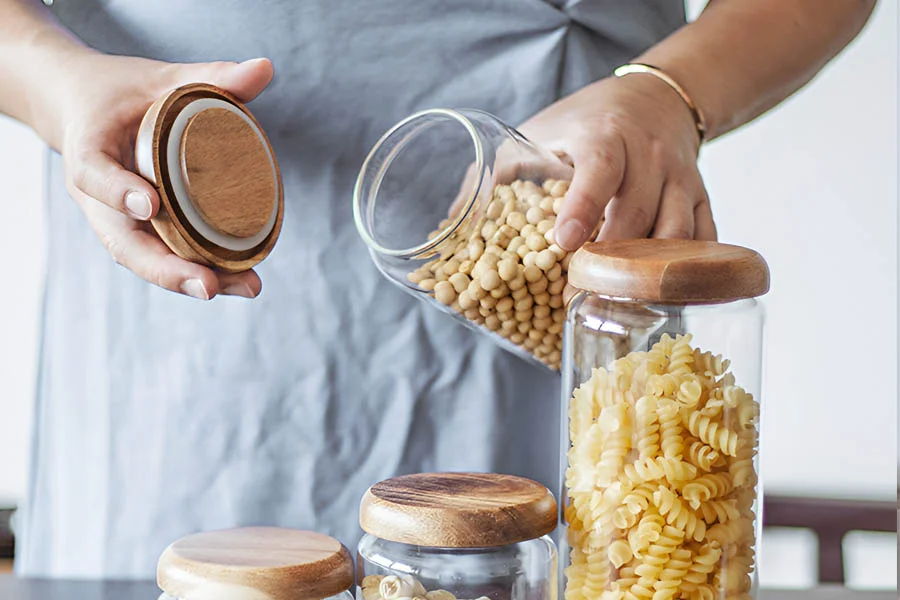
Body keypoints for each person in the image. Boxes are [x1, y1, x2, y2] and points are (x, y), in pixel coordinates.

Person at [0, 0, 875, 578]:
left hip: (574, 232)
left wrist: (670, 91)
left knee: (595, 547)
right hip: (185, 316)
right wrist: (55, 84)